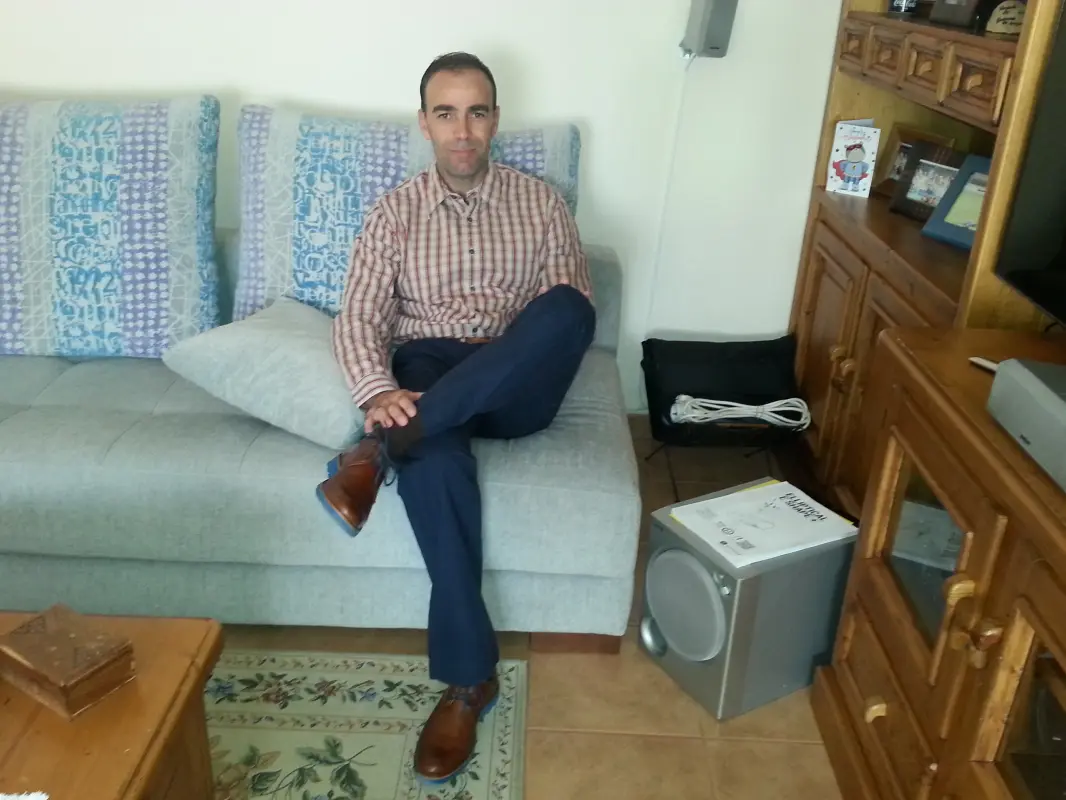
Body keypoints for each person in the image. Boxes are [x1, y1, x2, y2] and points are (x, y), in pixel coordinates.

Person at [316, 51, 595, 783]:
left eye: (476, 113)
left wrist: (391, 423)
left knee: (568, 308)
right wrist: (376, 393)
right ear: (425, 123)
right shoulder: (394, 212)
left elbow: (564, 323)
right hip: (428, 371)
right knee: (433, 463)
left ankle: (379, 450)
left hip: (513, 378)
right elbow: (359, 318)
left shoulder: (542, 205)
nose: (462, 130)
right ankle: (470, 682)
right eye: (446, 114)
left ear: (495, 120)